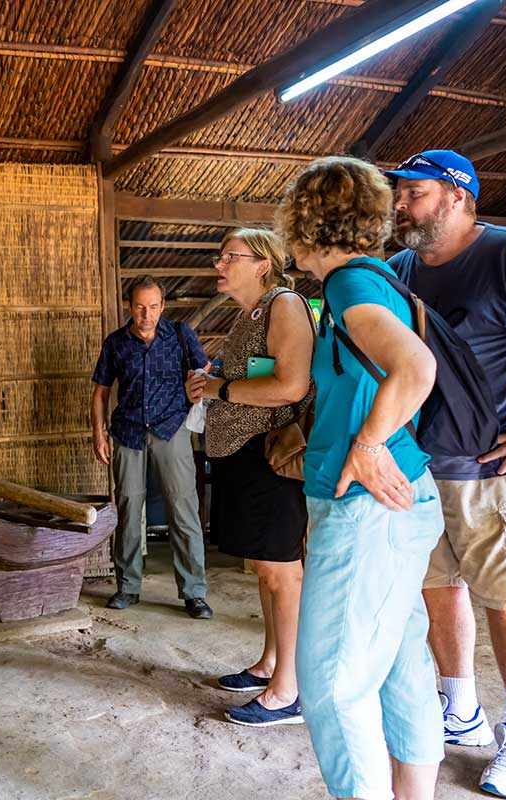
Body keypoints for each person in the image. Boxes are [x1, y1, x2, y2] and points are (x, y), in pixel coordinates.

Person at [277, 156, 443, 800]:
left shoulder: (349, 285)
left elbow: (415, 367)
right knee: (400, 665)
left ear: (306, 222)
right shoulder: (373, 279)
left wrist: (368, 444)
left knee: (331, 683)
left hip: (369, 509)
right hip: (402, 500)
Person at [387, 149, 506, 798]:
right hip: (419, 466)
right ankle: (461, 707)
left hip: (489, 471)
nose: (401, 205)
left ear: (458, 196)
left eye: (415, 194)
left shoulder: (505, 255)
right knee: (438, 588)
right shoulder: (400, 270)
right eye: (400, 194)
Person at [185, 228, 313, 728]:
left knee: (282, 570)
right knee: (264, 566)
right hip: (243, 454)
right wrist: (208, 384)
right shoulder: (249, 315)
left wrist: (218, 387)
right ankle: (270, 664)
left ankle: (289, 690)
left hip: (269, 455)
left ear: (262, 264)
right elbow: (245, 378)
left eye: (229, 257)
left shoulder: (285, 305)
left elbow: (290, 386)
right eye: (219, 257)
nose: (219, 264)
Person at [91, 275, 213, 619]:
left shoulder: (180, 334)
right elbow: (101, 391)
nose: (147, 314)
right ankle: (127, 587)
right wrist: (98, 433)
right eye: (140, 307)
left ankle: (194, 592)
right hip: (127, 432)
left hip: (171, 429)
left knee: (184, 507)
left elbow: (203, 369)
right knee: (129, 507)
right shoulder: (116, 343)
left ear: (163, 306)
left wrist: (192, 390)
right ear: (129, 306)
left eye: (154, 307)